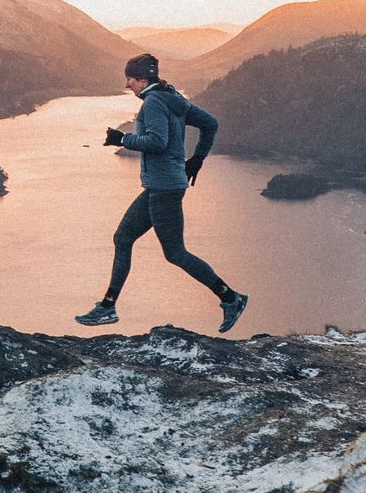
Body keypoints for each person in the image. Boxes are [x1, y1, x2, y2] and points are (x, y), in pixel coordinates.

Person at [75, 53, 249, 333]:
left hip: (164, 187)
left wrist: (122, 139)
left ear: (142, 79)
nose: (127, 84)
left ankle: (231, 298)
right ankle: (107, 307)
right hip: (164, 184)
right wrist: (196, 159)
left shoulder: (154, 102)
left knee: (175, 253)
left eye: (130, 78)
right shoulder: (171, 96)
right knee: (123, 237)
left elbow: (157, 142)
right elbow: (210, 123)